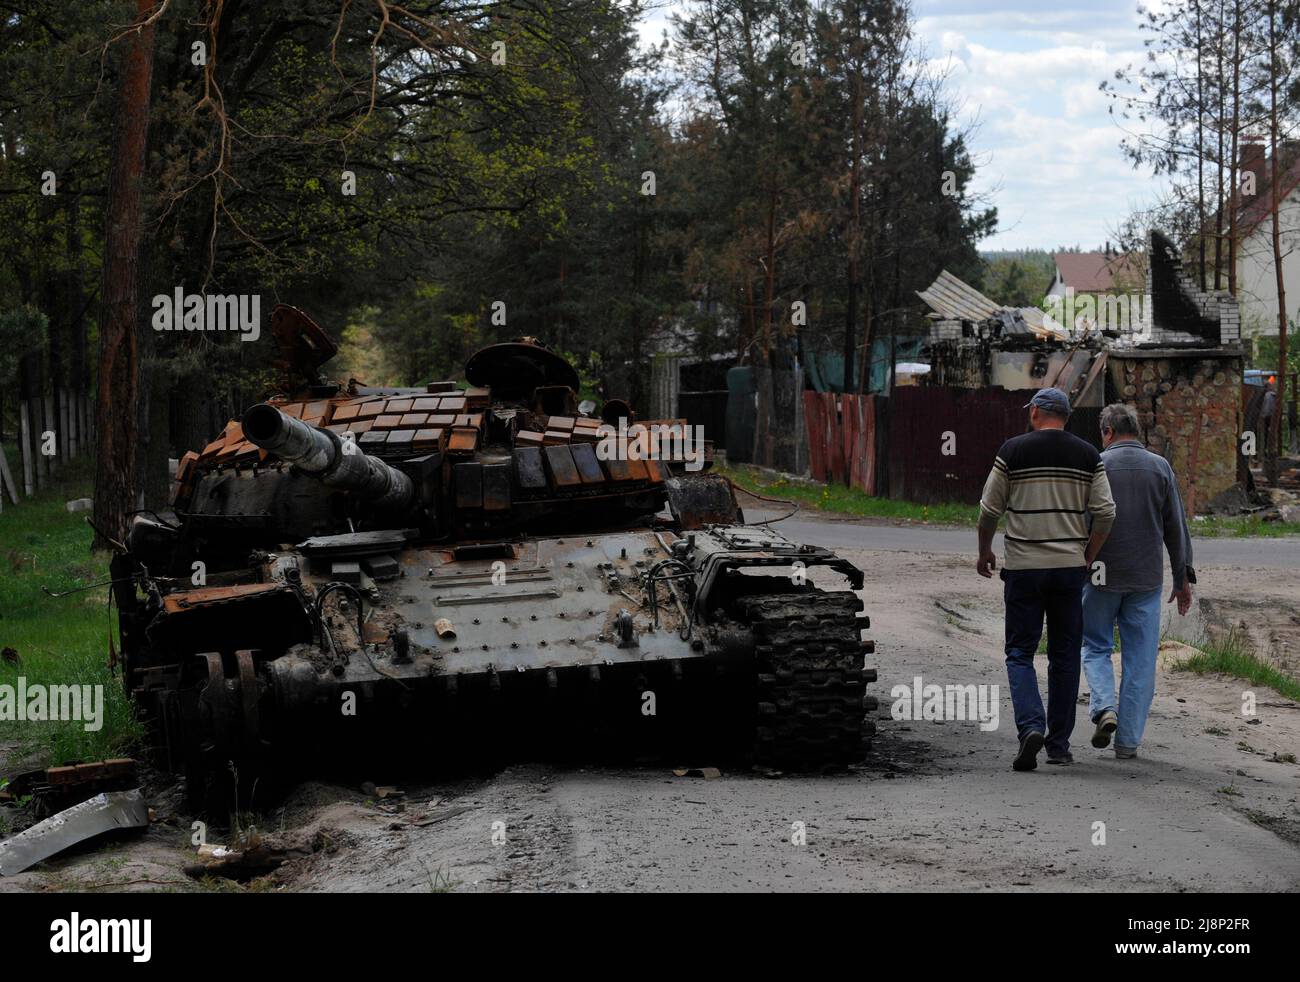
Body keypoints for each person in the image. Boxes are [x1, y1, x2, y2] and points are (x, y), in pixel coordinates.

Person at [977, 388, 1115, 771]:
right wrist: (1088, 554)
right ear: (1066, 417)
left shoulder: (1013, 450)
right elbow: (1106, 513)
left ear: (1035, 412)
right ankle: (1058, 745)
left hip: (1023, 568)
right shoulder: (1089, 455)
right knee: (1065, 656)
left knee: (1020, 653)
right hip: (1069, 570)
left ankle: (1030, 728)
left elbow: (989, 510)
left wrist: (984, 550)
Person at [1082, 403, 1194, 760]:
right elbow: (1176, 528)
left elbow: (1083, 522)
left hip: (1100, 575)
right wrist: (1182, 578)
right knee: (1141, 661)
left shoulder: (1096, 465)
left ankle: (1104, 707)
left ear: (1108, 432)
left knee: (1096, 645)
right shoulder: (1159, 467)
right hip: (1145, 579)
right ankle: (1127, 743)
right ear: (1136, 431)